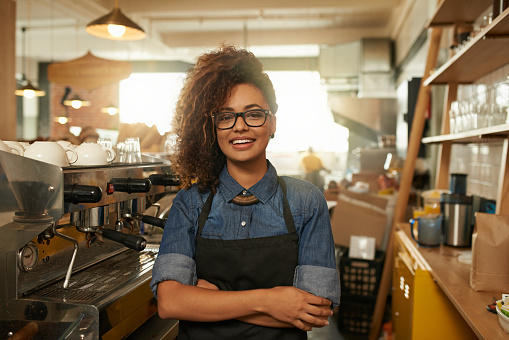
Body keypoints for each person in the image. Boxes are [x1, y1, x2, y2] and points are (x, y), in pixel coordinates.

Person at [150, 45, 340, 340]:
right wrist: (271, 301)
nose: (239, 127)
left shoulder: (306, 201)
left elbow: (315, 310)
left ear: (272, 122)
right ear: (212, 127)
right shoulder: (190, 202)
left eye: (253, 114)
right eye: (226, 116)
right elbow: (170, 302)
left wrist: (209, 301)